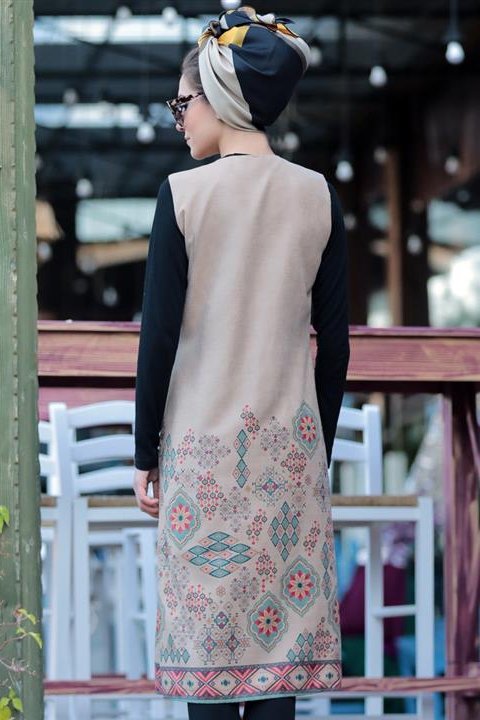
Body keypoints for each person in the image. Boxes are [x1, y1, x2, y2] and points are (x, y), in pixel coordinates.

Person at [133, 6, 350, 719]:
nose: (178, 120)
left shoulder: (182, 196)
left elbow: (158, 340)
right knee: (277, 670)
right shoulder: (317, 194)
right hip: (289, 460)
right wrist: (315, 450)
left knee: (208, 668)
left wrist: (144, 455)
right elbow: (335, 345)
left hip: (203, 462)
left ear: (220, 98)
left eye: (183, 103)